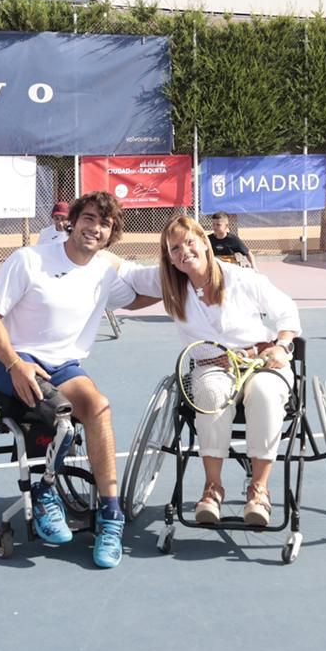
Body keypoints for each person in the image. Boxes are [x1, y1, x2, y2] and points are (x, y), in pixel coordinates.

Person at [0, 191, 138, 568]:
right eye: (90, 218)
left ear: (111, 235)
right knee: (55, 408)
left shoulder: (102, 271)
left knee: (98, 407)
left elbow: (137, 295)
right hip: (12, 358)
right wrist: (16, 363)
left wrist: (188, 280)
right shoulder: (28, 260)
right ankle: (45, 489)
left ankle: (111, 516)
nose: (95, 228)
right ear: (73, 220)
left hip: (64, 366)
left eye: (105, 223)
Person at [126, 215, 300, 529]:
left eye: (189, 242)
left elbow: (286, 311)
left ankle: (259, 490)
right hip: (211, 368)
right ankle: (213, 487)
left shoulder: (241, 278)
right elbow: (125, 274)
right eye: (174, 248)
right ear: (170, 258)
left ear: (205, 243)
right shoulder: (170, 283)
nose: (183, 252)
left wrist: (283, 344)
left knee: (263, 392)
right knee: (209, 393)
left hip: (258, 361)